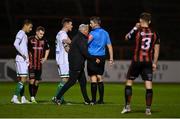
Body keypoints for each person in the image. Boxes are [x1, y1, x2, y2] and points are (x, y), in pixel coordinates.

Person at [121, 12, 160, 115]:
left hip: (136, 61)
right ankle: (148, 110)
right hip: (148, 62)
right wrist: (154, 63)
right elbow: (157, 50)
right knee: (149, 85)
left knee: (129, 83)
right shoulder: (155, 33)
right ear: (150, 21)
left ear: (140, 20)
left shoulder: (137, 31)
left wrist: (134, 27)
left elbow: (126, 38)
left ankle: (127, 107)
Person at [52, 24, 100, 105]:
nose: (88, 32)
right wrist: (94, 59)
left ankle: (86, 100)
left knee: (83, 82)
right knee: (71, 82)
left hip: (77, 64)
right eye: (87, 30)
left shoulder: (77, 37)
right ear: (83, 31)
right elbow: (84, 52)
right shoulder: (81, 39)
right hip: (76, 64)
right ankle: (57, 97)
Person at [87, 16, 114, 104]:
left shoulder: (92, 33)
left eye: (91, 23)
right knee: (100, 77)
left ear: (95, 23)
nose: (90, 25)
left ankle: (93, 100)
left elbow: (85, 43)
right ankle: (101, 100)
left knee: (93, 78)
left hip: (93, 57)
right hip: (102, 57)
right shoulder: (105, 33)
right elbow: (109, 46)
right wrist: (111, 58)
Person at [11, 19, 33, 104]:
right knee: (23, 79)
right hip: (21, 59)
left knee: (22, 79)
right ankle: (15, 97)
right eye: (30, 27)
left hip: (22, 59)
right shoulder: (21, 33)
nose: (30, 29)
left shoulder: (24, 35)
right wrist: (23, 54)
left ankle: (23, 98)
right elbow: (15, 44)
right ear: (26, 25)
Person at [53, 18, 73, 103]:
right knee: (65, 79)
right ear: (66, 24)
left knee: (65, 79)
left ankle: (59, 97)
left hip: (60, 58)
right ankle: (57, 97)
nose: (72, 26)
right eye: (71, 24)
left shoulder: (60, 33)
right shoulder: (63, 34)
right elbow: (66, 46)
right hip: (63, 59)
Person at [28, 26, 50, 103]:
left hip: (39, 64)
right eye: (40, 34)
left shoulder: (44, 40)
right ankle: (32, 97)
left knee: (37, 82)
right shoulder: (30, 39)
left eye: (42, 34)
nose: (41, 35)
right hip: (31, 64)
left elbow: (48, 49)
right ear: (36, 32)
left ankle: (33, 97)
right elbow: (25, 49)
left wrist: (45, 58)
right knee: (32, 80)